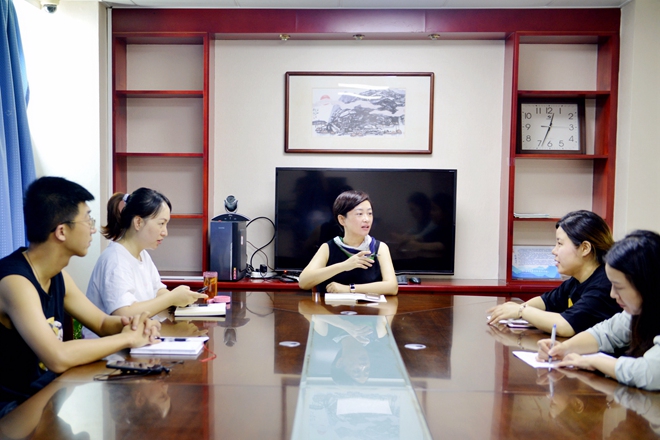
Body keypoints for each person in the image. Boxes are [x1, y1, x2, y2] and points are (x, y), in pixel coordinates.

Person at [0, 177, 161, 417]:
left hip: (43, 397)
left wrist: (135, 325)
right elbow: (57, 356)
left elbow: (102, 323)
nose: (93, 229)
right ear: (62, 231)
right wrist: (128, 338)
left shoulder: (58, 277)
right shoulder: (15, 282)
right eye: (88, 220)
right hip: (12, 409)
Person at [537, 230, 660, 391]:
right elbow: (606, 333)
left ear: (647, 285)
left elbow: (651, 373)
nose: (613, 294)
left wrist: (593, 361)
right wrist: (564, 348)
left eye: (619, 287)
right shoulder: (638, 312)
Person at [84, 189, 206, 338]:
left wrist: (180, 299)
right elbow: (124, 314)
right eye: (161, 223)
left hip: (138, 339)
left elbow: (157, 291)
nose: (165, 232)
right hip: (110, 348)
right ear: (138, 222)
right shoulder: (115, 260)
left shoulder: (142, 255)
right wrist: (172, 298)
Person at [487, 210, 620, 336]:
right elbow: (546, 302)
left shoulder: (604, 285)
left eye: (560, 244)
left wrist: (521, 311)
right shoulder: (577, 280)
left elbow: (565, 326)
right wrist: (512, 311)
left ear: (585, 248)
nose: (554, 251)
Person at [298, 190, 398, 295]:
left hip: (370, 306)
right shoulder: (329, 247)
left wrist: (350, 288)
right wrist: (344, 266)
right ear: (342, 219)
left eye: (369, 213)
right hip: (332, 306)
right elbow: (304, 282)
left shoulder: (380, 247)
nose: (366, 219)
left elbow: (392, 287)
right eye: (359, 214)